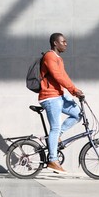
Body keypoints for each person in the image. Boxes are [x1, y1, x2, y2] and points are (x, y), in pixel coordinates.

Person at [38, 33, 84, 174]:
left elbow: (64, 76)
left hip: (59, 96)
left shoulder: (59, 58)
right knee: (55, 127)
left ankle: (57, 135)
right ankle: (53, 160)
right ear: (54, 43)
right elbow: (57, 76)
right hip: (50, 97)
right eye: (63, 41)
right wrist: (73, 90)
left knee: (77, 114)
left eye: (66, 41)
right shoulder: (49, 56)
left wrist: (74, 90)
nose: (66, 44)